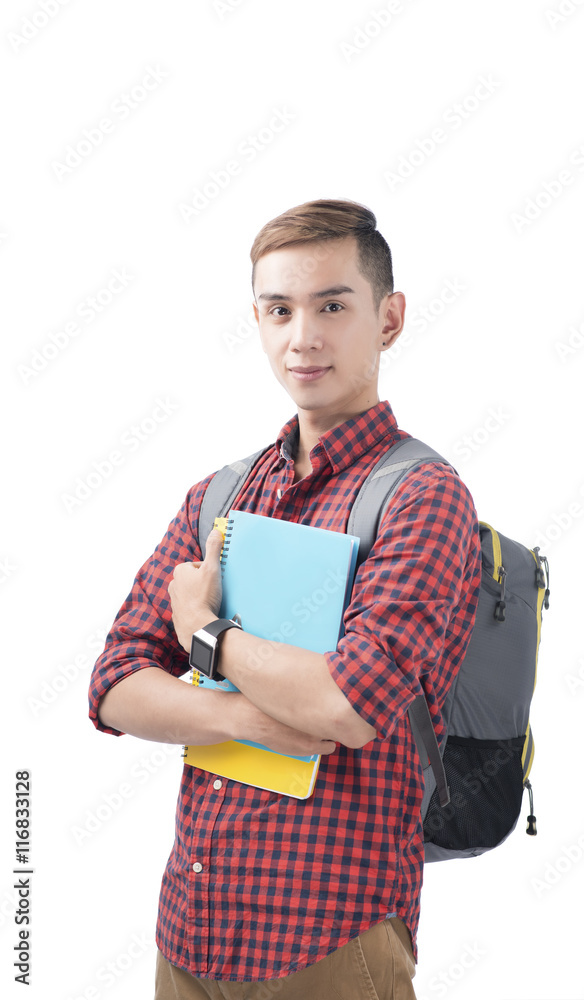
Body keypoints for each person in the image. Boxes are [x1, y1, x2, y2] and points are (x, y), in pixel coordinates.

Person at [88, 198, 482, 999]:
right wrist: (244, 719)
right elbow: (114, 682)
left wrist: (204, 632)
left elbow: (346, 705)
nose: (302, 336)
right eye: (279, 309)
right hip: (189, 930)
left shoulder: (421, 497)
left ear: (389, 318)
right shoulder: (223, 495)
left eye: (332, 305)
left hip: (329, 936)